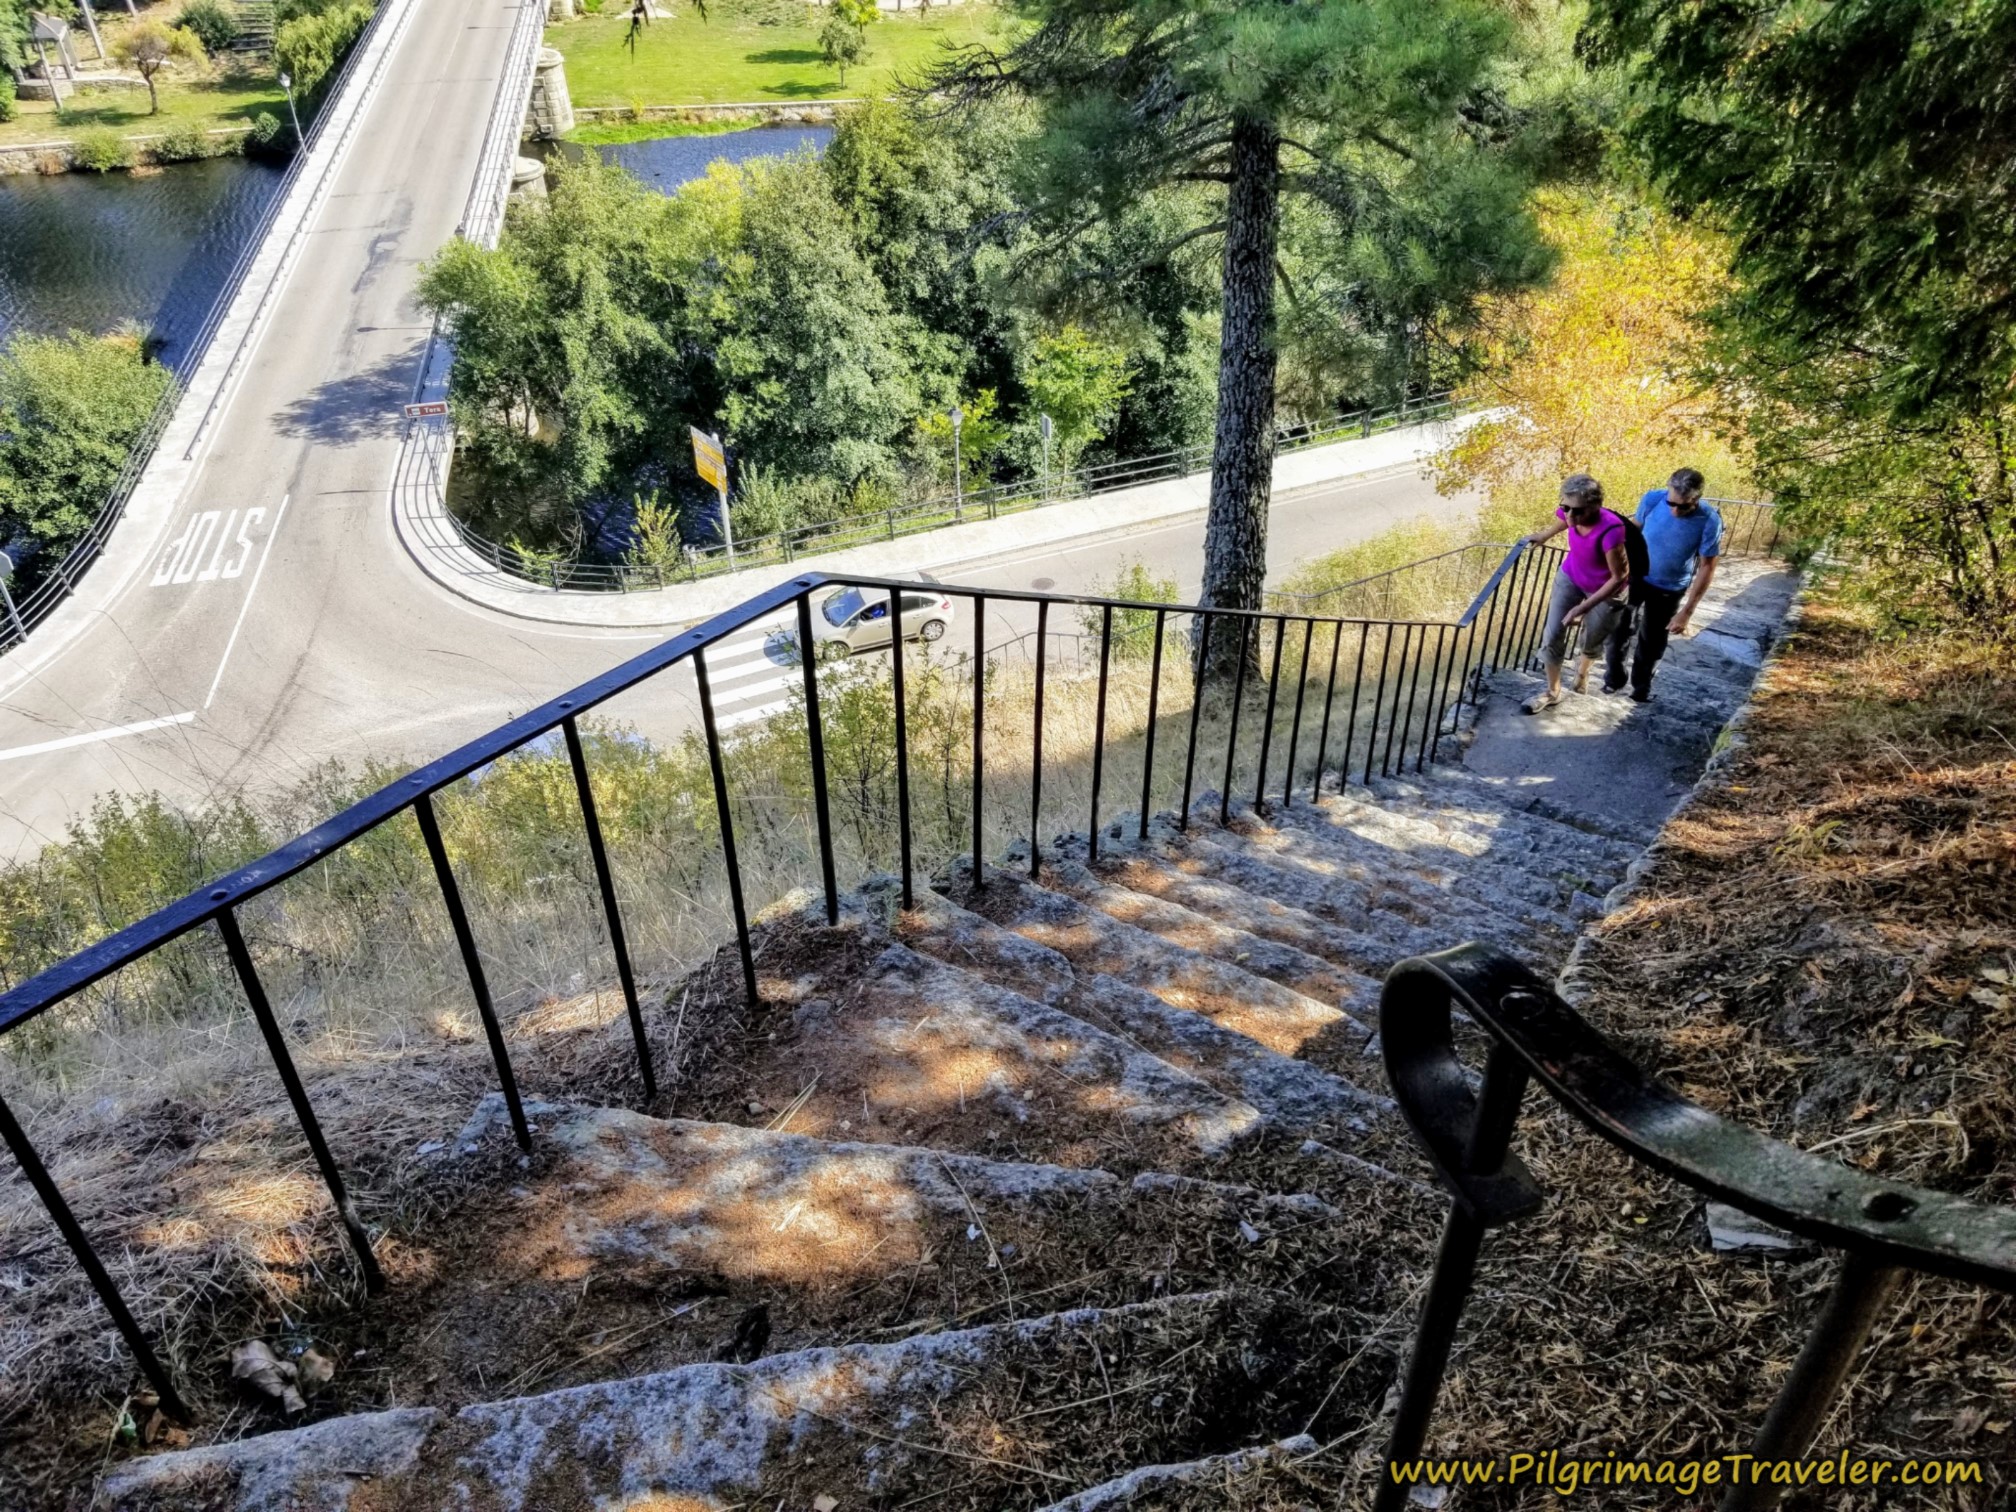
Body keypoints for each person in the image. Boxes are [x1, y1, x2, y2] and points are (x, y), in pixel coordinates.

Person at [1519, 473, 1632, 714]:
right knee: (1552, 634)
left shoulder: (1611, 530)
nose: (1570, 515)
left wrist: (1583, 608)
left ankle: (1583, 671)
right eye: (1565, 507)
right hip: (1571, 576)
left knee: (1591, 640)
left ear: (1595, 507)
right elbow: (1564, 521)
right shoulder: (1571, 511)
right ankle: (1552, 691)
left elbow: (1619, 576)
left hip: (1607, 590)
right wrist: (1544, 536)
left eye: (1578, 511)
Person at [1629, 467, 1722, 703]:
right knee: (1619, 627)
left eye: (1683, 506)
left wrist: (1686, 612)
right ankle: (1613, 678)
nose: (1674, 510)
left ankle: (1641, 690)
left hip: (1669, 588)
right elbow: (1632, 534)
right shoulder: (1652, 499)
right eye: (1671, 503)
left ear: (1696, 499)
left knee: (1652, 640)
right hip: (1637, 578)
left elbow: (1707, 567)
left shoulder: (1710, 520)